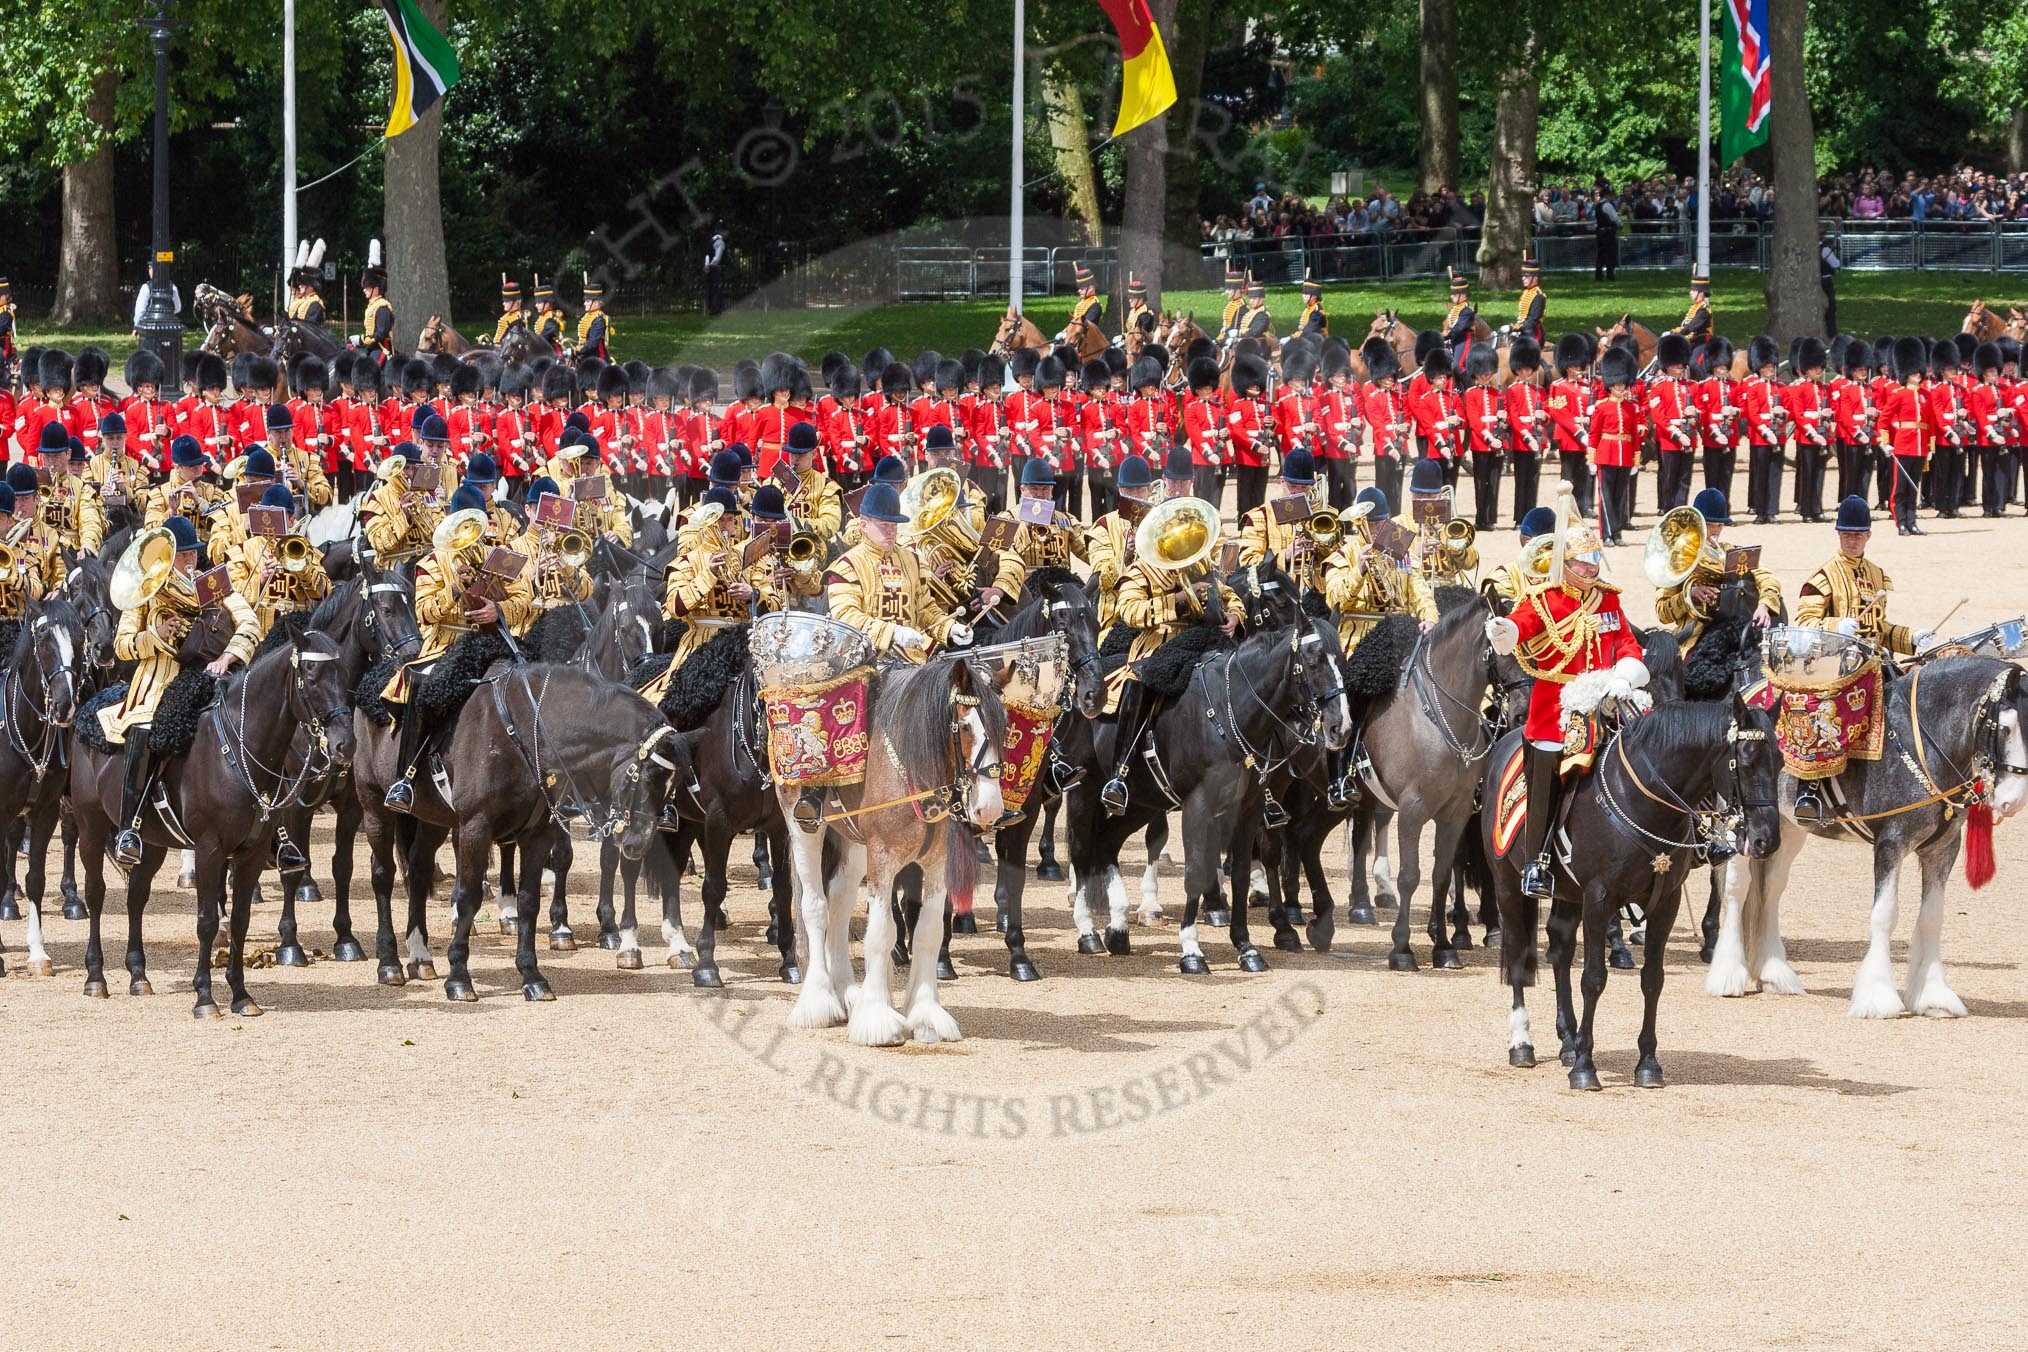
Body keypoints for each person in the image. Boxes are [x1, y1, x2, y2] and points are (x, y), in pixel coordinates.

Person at [1484, 512, 1649, 900]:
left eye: (1594, 559)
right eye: (1582, 561)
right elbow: (1521, 624)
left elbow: (1626, 642)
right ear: (1565, 562)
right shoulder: (1545, 599)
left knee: (1657, 745)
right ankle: (1537, 860)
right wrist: (1505, 631)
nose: (1590, 567)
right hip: (1556, 705)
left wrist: (1625, 675)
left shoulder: (1607, 598)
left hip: (1608, 695)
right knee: (1547, 765)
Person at [104, 514, 262, 865]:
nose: (189, 560)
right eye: (182, 554)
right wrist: (158, 635)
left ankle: (272, 829)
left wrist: (226, 656)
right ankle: (130, 825)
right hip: (160, 679)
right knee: (144, 731)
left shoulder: (211, 584)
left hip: (212, 674)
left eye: (192, 553)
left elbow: (249, 621)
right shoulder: (146, 591)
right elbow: (123, 645)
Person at [381, 488, 536, 812]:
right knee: (423, 689)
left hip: (490, 644)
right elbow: (422, 611)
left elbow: (525, 599)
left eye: (475, 524)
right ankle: (405, 778)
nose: (470, 533)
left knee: (533, 684)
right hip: (445, 647)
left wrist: (499, 609)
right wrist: (452, 590)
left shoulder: (500, 554)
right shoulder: (432, 562)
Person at [1100, 515, 1241, 815]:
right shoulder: (1140, 570)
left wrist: (1235, 615)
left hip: (1202, 640)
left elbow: (1229, 595)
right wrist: (1175, 600)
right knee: (1141, 681)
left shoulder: (1199, 565)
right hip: (1157, 646)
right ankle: (1120, 774)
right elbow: (1129, 611)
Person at [1653, 487, 1779, 655]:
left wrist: (1764, 605)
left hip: (1737, 627)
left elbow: (1767, 578)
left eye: (1720, 525)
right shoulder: (1678, 559)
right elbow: (1663, 612)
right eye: (1709, 525)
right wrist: (1689, 596)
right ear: (1696, 524)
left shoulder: (1733, 551)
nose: (1715, 531)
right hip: (1697, 634)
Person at [229, 482, 332, 638]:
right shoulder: (243, 551)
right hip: (259, 636)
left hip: (297, 633)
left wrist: (302, 567)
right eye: (267, 518)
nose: (271, 525)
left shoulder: (306, 550)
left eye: (277, 519)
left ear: (291, 521)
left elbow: (324, 593)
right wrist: (260, 580)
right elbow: (233, 598)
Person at [1236, 448, 1325, 593]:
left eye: (1304, 487)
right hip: (1275, 598)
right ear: (1282, 481)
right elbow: (1247, 563)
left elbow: (1338, 562)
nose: (1298, 492)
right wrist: (1286, 555)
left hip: (1316, 593)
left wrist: (1323, 549)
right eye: (1293, 486)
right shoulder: (1260, 517)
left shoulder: (1320, 516)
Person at [1084, 453, 1156, 631]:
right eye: (1128, 491)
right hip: (1117, 616)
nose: (1134, 497)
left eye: (1139, 490)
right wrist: (1125, 555)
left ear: (1149, 490)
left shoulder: (1162, 520)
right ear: (1119, 489)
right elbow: (1102, 580)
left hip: (1158, 609)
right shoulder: (1103, 526)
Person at [1588, 346, 1641, 546]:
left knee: (1620, 497)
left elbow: (1634, 435)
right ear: (1610, 385)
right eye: (1617, 384)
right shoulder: (1601, 407)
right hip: (1606, 454)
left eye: (1623, 384)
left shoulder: (1630, 407)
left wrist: (1636, 459)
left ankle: (1617, 533)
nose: (1620, 387)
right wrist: (1592, 459)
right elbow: (1594, 434)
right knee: (1606, 497)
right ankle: (1607, 534)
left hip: (1625, 455)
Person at [1647, 333, 1698, 512]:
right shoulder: (1658, 386)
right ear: (1668, 366)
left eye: (1682, 363)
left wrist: (1696, 412)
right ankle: (1668, 508)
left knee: (1685, 478)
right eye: (1676, 364)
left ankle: (1680, 508)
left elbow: (1703, 411)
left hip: (1689, 435)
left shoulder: (1692, 386)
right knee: (1669, 476)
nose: (1681, 367)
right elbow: (1659, 416)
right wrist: (1677, 434)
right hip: (1670, 438)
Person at [1784, 337, 1832, 522]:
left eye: (1820, 367)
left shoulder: (1822, 388)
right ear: (1806, 368)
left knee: (1819, 474)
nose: (1818, 370)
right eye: (1814, 367)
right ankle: (1806, 510)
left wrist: (1828, 414)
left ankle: (1817, 509)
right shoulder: (1799, 388)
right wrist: (1813, 434)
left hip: (1823, 435)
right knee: (1807, 474)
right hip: (1807, 437)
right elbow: (1799, 415)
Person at [1360, 337, 1410, 509]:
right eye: (1386, 376)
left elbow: (1407, 413)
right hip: (1384, 446)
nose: (1390, 379)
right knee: (1383, 485)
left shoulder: (1399, 389)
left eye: (1391, 376)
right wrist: (1390, 448)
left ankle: (1395, 518)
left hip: (1401, 443)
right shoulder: (1369, 389)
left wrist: (1406, 427)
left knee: (1397, 487)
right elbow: (1377, 423)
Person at [1738, 336, 1784, 523]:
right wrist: (1766, 431)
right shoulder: (1753, 386)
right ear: (1759, 367)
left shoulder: (1779, 386)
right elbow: (1753, 413)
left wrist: (1783, 412)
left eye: (1772, 366)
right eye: (1766, 366)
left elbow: (1788, 408)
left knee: (1775, 474)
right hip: (1760, 436)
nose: (1770, 369)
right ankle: (1759, 510)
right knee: (1760, 473)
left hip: (1778, 435)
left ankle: (1771, 510)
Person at [1461, 345, 1507, 530]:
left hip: (1498, 444)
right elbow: (1474, 420)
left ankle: (1490, 519)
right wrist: (1489, 438)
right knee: (1481, 482)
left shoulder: (1497, 394)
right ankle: (1480, 518)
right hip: (1481, 444)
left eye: (1488, 372)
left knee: (1494, 482)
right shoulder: (1470, 394)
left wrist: (1505, 417)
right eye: (1482, 372)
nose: (1486, 375)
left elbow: (1504, 417)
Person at [1503, 337, 1547, 524]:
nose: (1526, 371)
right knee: (1521, 480)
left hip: (1538, 440)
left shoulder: (1539, 391)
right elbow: (1513, 416)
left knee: (1534, 480)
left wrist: (1543, 416)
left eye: (1529, 368)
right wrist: (1527, 437)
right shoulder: (1512, 390)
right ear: (1517, 370)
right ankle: (1519, 517)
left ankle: (1531, 515)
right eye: (1523, 369)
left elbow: (1547, 411)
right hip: (1522, 442)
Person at [1482, 504, 1559, 605]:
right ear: (1529, 543)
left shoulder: (1562, 572)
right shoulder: (1504, 575)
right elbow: (1499, 610)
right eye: (1549, 545)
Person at [359, 241, 394, 368]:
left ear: (376, 288)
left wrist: (361, 339)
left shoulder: (383, 307)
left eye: (367, 287)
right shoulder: (372, 306)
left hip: (381, 349)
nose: (364, 290)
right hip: (371, 347)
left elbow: (381, 333)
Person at [1440, 272, 1477, 372]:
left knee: (1458, 366)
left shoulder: (1467, 311)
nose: (1452, 296)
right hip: (1455, 340)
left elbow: (1459, 328)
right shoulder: (1454, 310)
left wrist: (1447, 335)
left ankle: (1469, 386)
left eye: (1454, 293)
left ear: (1463, 294)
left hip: (1465, 340)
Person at [285, 240, 327, 324]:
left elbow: (309, 328)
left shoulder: (316, 304)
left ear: (311, 285)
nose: (299, 285)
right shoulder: (304, 302)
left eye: (303, 284)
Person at [1666, 273, 1713, 345]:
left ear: (1701, 293)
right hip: (1691, 340)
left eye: (1693, 290)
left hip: (1701, 343)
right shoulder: (1695, 307)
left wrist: (1675, 333)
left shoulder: (1704, 310)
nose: (1690, 292)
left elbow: (1691, 327)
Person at [576, 275, 613, 362]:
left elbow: (592, 343)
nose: (585, 303)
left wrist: (578, 351)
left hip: (597, 358)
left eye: (588, 301)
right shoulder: (588, 316)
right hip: (586, 355)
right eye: (585, 301)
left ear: (596, 302)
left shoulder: (599, 319)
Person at [1513, 257, 1545, 346]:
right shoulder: (1527, 292)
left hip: (1533, 334)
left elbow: (1533, 320)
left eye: (1526, 276)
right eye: (1522, 276)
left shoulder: (1539, 296)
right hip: (1523, 331)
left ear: (1535, 278)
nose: (1523, 278)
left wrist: (1519, 326)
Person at [532, 275, 569, 352]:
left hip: (553, 353)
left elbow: (543, 339)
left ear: (548, 304)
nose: (536, 305)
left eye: (539, 303)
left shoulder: (551, 319)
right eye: (536, 303)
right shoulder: (543, 316)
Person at [1592, 189, 1620, 281]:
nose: (1614, 198)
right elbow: (1615, 218)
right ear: (1608, 195)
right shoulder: (1607, 205)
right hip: (1608, 233)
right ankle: (1610, 274)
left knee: (1601, 255)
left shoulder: (1598, 205)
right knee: (1610, 254)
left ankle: (1599, 275)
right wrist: (1620, 225)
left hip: (1600, 233)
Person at [491, 276, 527, 346]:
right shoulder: (507, 316)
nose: (503, 303)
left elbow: (513, 342)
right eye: (504, 301)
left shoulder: (518, 318)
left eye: (507, 301)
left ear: (516, 302)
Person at [1819, 234, 1842, 335]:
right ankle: (1832, 332)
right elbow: (1836, 264)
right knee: (1830, 307)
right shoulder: (1825, 250)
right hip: (1825, 280)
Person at [1295, 271, 1328, 339]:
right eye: (1303, 293)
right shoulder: (1309, 309)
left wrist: (1295, 336)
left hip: (1317, 343)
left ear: (1314, 296)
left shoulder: (1317, 312)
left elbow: (1308, 330)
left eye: (1306, 294)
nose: (1303, 296)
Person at [703, 223, 728, 317]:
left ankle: (710, 310)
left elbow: (707, 255)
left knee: (709, 289)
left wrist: (706, 266)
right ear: (722, 231)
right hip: (715, 268)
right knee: (717, 289)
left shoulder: (711, 240)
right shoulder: (720, 242)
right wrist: (712, 265)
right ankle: (716, 310)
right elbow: (717, 257)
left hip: (708, 268)